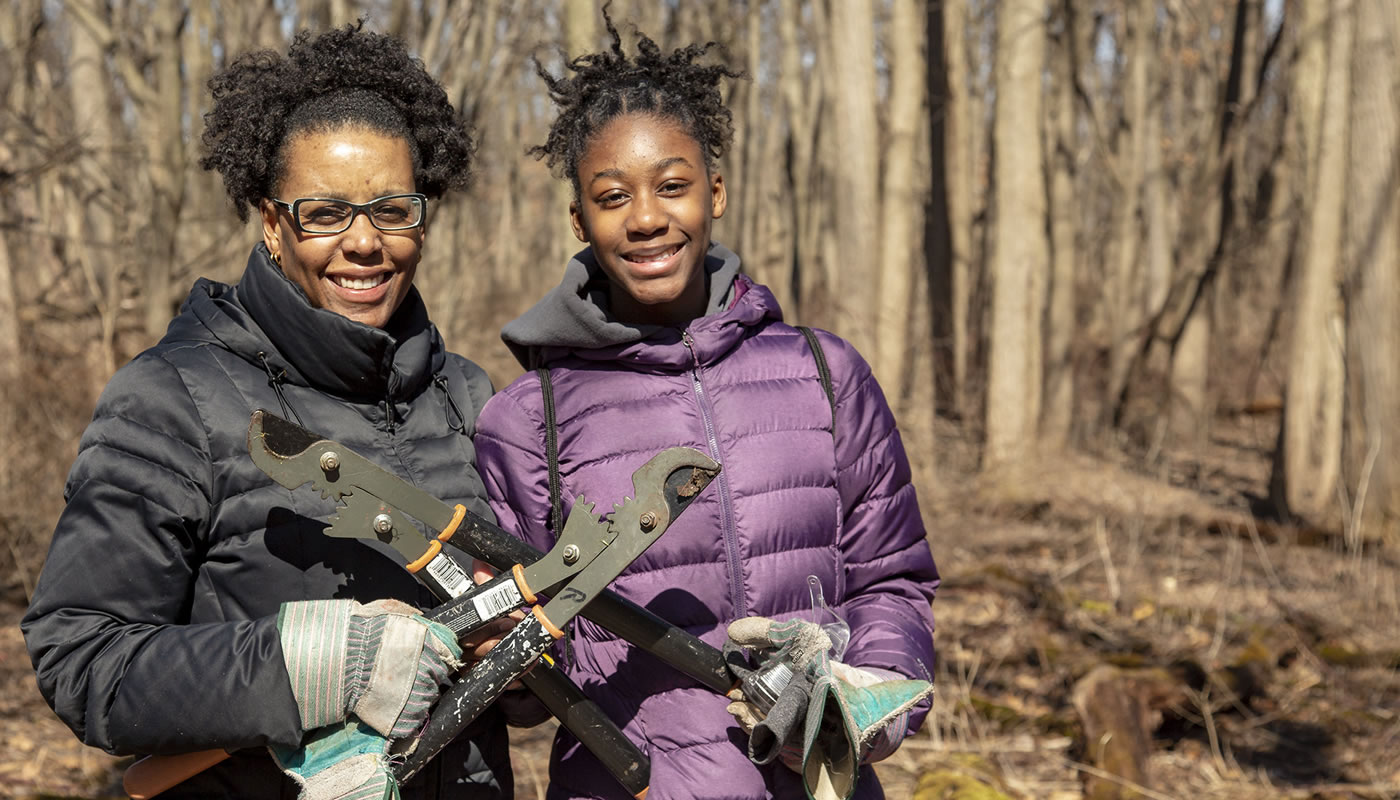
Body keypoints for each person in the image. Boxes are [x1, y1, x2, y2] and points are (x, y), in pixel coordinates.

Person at [21, 22, 515, 799]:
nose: (364, 243)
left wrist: (512, 657)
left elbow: (518, 658)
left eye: (393, 209)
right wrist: (306, 668)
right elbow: (83, 660)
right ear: (271, 221)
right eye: (325, 213)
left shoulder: (469, 395)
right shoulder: (171, 401)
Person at [472, 16, 939, 800]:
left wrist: (866, 701)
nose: (647, 217)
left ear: (714, 192)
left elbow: (893, 580)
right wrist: (506, 660)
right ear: (580, 220)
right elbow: (526, 674)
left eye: (673, 185)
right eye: (613, 197)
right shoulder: (529, 420)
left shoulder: (826, 374)